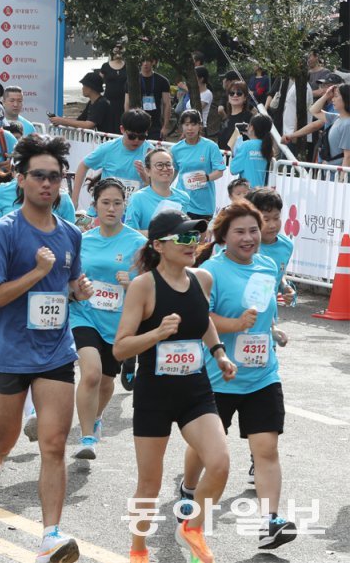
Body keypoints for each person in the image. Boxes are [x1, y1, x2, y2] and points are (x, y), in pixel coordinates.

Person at [0, 134, 91, 563]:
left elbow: (70, 285)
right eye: (38, 175)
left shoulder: (71, 234)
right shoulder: (4, 232)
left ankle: (50, 537)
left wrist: (79, 289)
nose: (47, 184)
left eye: (54, 177)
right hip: (10, 351)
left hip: (56, 350)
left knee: (54, 443)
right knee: (2, 440)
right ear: (21, 180)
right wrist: (38, 272)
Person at [113, 209, 236, 563]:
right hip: (155, 395)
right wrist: (157, 332)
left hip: (195, 392)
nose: (192, 244)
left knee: (220, 463)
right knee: (150, 484)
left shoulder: (202, 279)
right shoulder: (144, 286)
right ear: (159, 245)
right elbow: (120, 347)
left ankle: (191, 529)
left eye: (194, 237)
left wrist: (219, 354)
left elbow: (203, 321)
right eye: (182, 238)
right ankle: (138, 550)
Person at [183, 200, 297, 551]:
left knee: (266, 448)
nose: (249, 238)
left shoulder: (267, 265)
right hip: (220, 375)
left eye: (253, 230)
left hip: (263, 374)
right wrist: (234, 326)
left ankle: (269, 522)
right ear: (223, 236)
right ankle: (188, 489)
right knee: (204, 452)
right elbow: (200, 316)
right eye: (240, 232)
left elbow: (263, 310)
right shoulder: (211, 271)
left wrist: (272, 328)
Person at [68, 178, 145, 460]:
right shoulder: (82, 239)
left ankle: (97, 416)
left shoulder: (138, 243)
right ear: (95, 206)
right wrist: (76, 291)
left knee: (105, 381)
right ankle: (86, 437)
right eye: (105, 203)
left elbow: (151, 285)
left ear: (125, 206)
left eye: (117, 203)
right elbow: (70, 277)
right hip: (84, 315)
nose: (111, 208)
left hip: (118, 323)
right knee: (90, 372)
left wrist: (131, 284)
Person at [71, 109, 153, 207]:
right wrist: (74, 199)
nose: (136, 140)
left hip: (133, 210)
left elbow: (157, 186)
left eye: (142, 137)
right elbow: (83, 166)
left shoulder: (150, 152)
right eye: (132, 136)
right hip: (105, 209)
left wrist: (146, 178)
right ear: (122, 129)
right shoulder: (108, 148)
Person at [170, 109, 226, 220]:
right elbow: (174, 171)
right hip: (183, 201)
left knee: (201, 236)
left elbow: (219, 171)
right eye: (186, 124)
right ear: (181, 126)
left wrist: (207, 177)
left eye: (193, 124)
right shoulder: (175, 149)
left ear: (200, 126)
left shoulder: (210, 146)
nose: (190, 128)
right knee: (182, 236)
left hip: (204, 203)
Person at [124, 148, 189, 234]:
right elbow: (129, 233)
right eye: (159, 165)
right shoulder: (138, 198)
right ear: (148, 171)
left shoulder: (183, 197)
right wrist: (159, 234)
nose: (165, 169)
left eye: (168, 164)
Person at [50, 72, 115, 134]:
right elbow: (79, 120)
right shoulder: (92, 102)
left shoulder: (102, 103)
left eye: (84, 85)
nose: (82, 88)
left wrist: (62, 121)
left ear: (90, 87)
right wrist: (60, 121)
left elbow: (88, 125)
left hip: (105, 141)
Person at [230, 114, 275, 187]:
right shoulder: (268, 147)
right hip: (261, 192)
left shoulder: (246, 145)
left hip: (247, 192)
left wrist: (234, 152)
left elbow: (233, 169)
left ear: (251, 127)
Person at [132, 59, 172, 141]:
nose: (145, 64)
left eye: (148, 61)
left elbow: (167, 104)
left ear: (153, 62)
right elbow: (127, 103)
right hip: (137, 123)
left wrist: (165, 126)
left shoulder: (162, 81)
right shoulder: (133, 80)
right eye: (143, 61)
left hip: (156, 124)